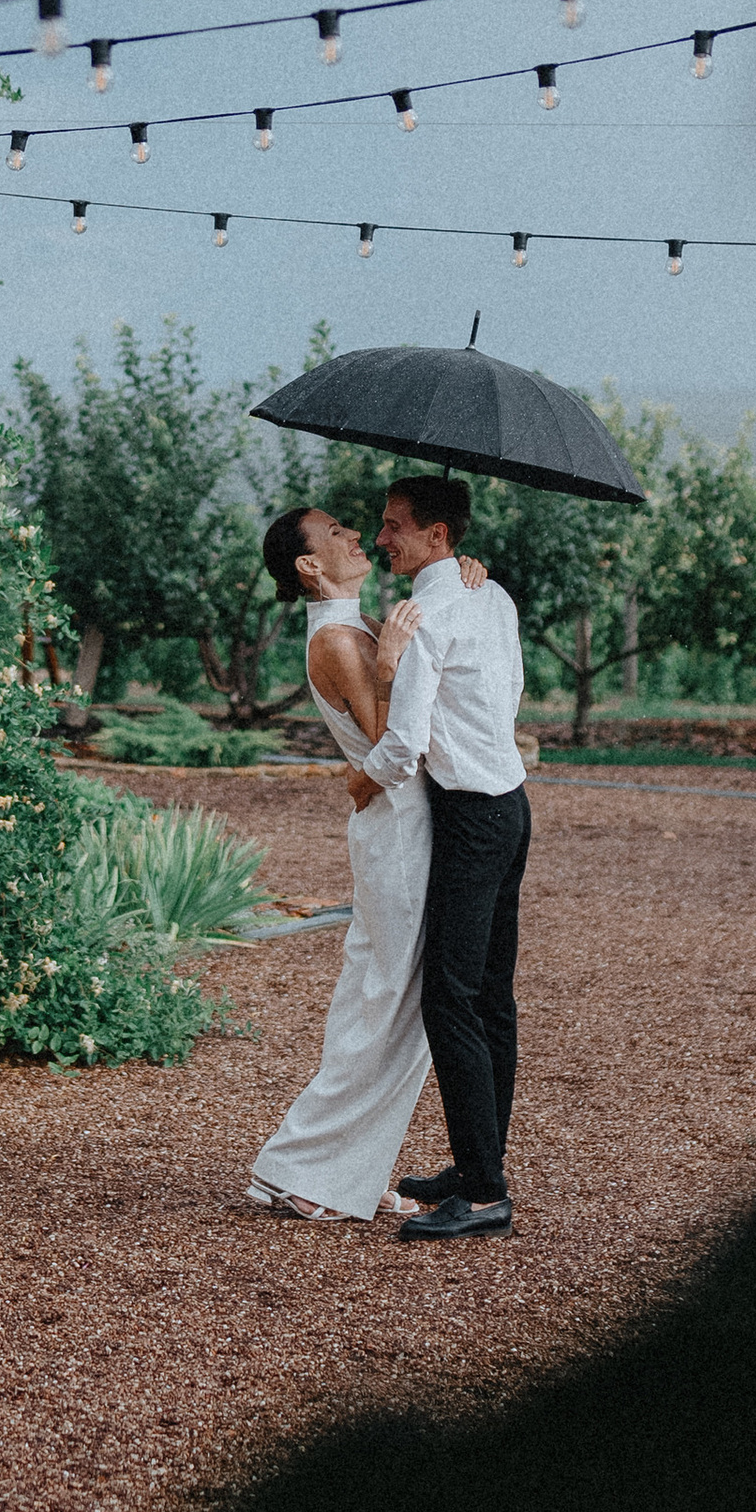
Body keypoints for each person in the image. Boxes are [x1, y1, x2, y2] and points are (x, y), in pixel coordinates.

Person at [243, 503, 489, 1226]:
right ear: (310, 566)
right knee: (393, 1001)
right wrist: (387, 663)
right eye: (338, 535)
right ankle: (305, 1168)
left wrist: (461, 576)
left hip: (396, 825)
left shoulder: (350, 627)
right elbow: (393, 747)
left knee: (381, 999)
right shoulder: (343, 643)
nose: (357, 538)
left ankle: (339, 1168)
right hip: (400, 830)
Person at [365, 476, 529, 1241]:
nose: (380, 539)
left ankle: (487, 1192)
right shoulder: (492, 599)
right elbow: (510, 695)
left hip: (469, 817)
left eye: (395, 527)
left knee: (451, 999)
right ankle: (477, 1166)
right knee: (490, 995)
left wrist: (357, 781)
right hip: (511, 808)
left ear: (438, 537)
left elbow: (403, 744)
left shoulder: (426, 615)